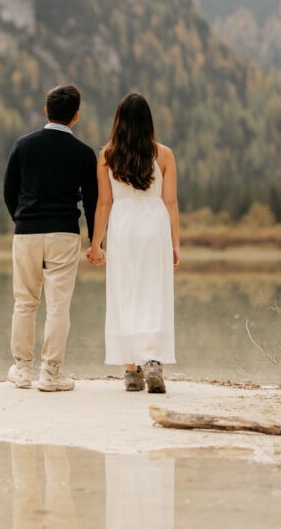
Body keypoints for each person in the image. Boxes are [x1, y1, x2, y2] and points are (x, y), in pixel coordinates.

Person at [3, 85, 98, 392]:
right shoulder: (84, 153)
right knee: (58, 306)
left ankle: (21, 370)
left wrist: (21, 219)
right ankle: (50, 373)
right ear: (76, 116)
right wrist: (95, 241)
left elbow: (9, 191)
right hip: (64, 234)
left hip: (27, 233)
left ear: (46, 111)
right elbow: (92, 201)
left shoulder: (23, 145)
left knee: (24, 302)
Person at [87, 92, 178, 393]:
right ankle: (153, 362)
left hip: (123, 229)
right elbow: (171, 202)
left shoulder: (107, 155)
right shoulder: (164, 155)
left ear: (119, 121)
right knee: (154, 293)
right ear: (148, 122)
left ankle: (131, 372)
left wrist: (96, 244)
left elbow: (103, 203)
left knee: (125, 294)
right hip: (155, 227)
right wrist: (175, 244)